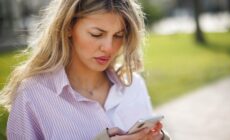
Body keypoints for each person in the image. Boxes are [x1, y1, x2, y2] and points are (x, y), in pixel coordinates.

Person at [0, 0, 170, 139]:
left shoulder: (133, 85)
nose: (109, 48)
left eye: (118, 35)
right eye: (97, 34)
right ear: (68, 27)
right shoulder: (33, 95)